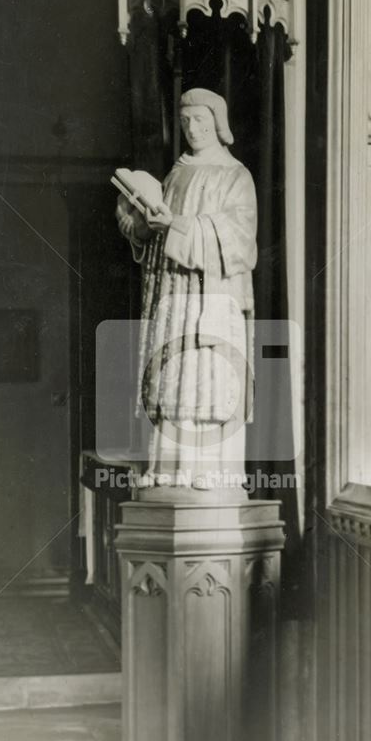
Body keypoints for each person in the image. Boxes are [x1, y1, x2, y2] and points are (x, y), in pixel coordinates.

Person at [116, 88, 257, 493]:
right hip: (172, 292)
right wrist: (142, 225)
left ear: (218, 124)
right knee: (169, 373)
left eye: (201, 121)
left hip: (210, 295)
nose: (193, 129)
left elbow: (239, 241)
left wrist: (177, 225)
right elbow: (159, 232)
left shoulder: (235, 176)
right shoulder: (176, 174)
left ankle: (208, 469)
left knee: (207, 374)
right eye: (186, 122)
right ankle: (168, 466)